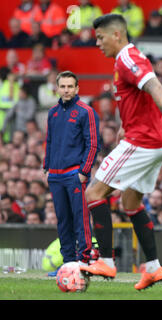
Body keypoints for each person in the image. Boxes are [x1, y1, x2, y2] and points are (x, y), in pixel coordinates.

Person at [81, 14, 162, 290]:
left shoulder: (128, 59)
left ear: (117, 35)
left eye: (101, 37)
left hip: (145, 142)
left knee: (93, 193)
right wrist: (126, 126)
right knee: (130, 203)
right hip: (151, 141)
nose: (98, 43)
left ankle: (105, 260)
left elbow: (157, 89)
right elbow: (139, 100)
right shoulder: (125, 60)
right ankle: (153, 268)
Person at [43, 71, 100, 270]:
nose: (66, 90)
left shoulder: (86, 111)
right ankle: (68, 263)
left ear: (77, 88)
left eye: (70, 86)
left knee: (80, 218)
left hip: (74, 174)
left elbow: (93, 144)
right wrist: (46, 168)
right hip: (56, 175)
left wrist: (83, 171)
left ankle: (84, 261)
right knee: (63, 221)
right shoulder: (53, 113)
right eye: (63, 86)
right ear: (57, 88)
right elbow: (49, 142)